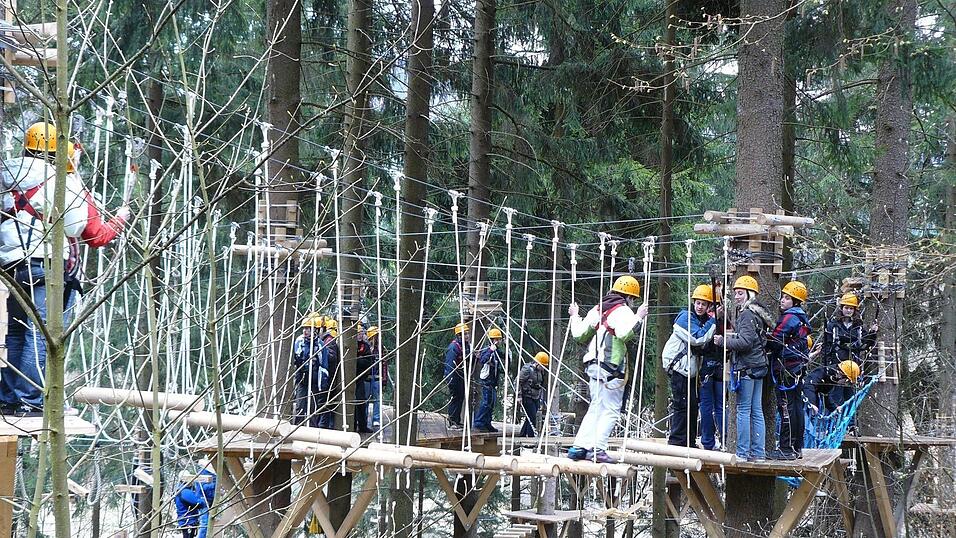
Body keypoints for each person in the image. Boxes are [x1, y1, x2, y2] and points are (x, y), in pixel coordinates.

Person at [0, 122, 130, 416]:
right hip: (48, 266)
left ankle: (10, 397)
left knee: (19, 333)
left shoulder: (8, 176)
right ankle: (29, 400)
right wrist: (120, 219)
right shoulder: (63, 183)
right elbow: (95, 235)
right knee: (41, 335)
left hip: (13, 265)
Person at [567, 275, 649, 463]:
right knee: (611, 409)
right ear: (629, 298)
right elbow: (625, 333)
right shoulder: (623, 311)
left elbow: (578, 334)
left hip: (593, 365)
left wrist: (574, 316)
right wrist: (639, 317)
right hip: (611, 367)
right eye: (633, 300)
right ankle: (598, 448)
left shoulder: (599, 309)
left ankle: (579, 447)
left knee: (596, 406)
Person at [714, 275, 774, 462]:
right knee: (756, 410)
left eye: (740, 293)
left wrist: (724, 341)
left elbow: (746, 342)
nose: (737, 297)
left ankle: (742, 453)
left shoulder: (747, 314)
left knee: (744, 410)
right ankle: (758, 453)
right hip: (758, 366)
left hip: (748, 367)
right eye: (736, 294)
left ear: (749, 294)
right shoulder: (757, 313)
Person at [662, 284, 718, 448]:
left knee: (692, 406)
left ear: (708, 306)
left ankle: (689, 440)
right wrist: (714, 321)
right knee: (682, 405)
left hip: (690, 372)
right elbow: (697, 339)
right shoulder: (684, 318)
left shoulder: (701, 321)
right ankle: (677, 442)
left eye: (703, 304)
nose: (700, 307)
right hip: (680, 369)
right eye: (698, 303)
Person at [766, 281, 812, 460]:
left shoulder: (789, 317)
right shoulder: (801, 318)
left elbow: (775, 340)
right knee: (797, 407)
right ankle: (797, 446)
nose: (782, 301)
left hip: (787, 369)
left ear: (796, 302)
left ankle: (787, 448)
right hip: (797, 368)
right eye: (783, 297)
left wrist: (761, 337)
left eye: (787, 298)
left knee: (786, 407)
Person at [821, 293, 877, 410]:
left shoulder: (858, 327)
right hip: (837, 365)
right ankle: (835, 424)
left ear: (855, 310)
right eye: (846, 308)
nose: (848, 311)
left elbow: (865, 344)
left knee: (850, 398)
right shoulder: (833, 325)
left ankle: (851, 426)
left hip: (853, 366)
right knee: (835, 396)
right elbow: (826, 346)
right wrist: (826, 366)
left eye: (851, 308)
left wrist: (872, 334)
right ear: (841, 308)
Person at [292, 314, 325, 425]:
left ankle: (312, 432)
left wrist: (323, 381)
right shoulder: (299, 342)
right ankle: (297, 430)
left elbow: (323, 364)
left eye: (308, 328)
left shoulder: (320, 344)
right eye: (304, 328)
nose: (305, 331)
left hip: (314, 379)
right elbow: (295, 358)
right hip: (302, 378)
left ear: (314, 330)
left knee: (312, 408)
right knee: (300, 406)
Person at [473, 327, 504, 433]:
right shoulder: (488, 350)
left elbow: (504, 357)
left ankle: (487, 423)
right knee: (486, 402)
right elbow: (482, 359)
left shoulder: (496, 351)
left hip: (492, 381)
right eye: (499, 339)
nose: (500, 341)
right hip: (487, 380)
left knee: (491, 402)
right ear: (494, 340)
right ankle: (478, 423)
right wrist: (491, 350)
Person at [314, 319, 340, 428]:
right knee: (323, 402)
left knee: (324, 402)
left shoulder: (327, 340)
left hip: (327, 376)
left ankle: (322, 426)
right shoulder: (327, 340)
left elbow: (331, 357)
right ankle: (322, 425)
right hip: (326, 376)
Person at [443, 322, 469, 428]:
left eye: (468, 334)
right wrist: (450, 379)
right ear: (459, 335)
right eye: (465, 334)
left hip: (461, 376)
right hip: (454, 376)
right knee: (455, 397)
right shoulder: (454, 347)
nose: (467, 336)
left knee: (460, 397)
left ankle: (457, 420)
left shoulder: (465, 346)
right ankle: (452, 421)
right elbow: (450, 364)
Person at [518, 351, 548, 437]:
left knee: (530, 417)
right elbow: (518, 382)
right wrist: (519, 396)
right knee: (532, 417)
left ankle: (522, 435)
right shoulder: (527, 369)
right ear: (537, 363)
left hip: (536, 397)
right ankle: (530, 437)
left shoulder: (540, 371)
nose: (544, 368)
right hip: (527, 396)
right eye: (543, 366)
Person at [364, 325, 386, 429]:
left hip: (377, 377)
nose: (376, 338)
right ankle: (364, 418)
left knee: (377, 399)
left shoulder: (381, 348)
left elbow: (384, 364)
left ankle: (376, 419)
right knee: (366, 399)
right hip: (367, 377)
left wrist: (384, 379)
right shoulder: (365, 347)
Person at [354, 325, 375, 433]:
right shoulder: (351, 346)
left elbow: (368, 362)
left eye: (362, 333)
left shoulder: (365, 346)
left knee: (361, 402)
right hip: (351, 379)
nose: (361, 335)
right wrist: (358, 360)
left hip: (361, 378)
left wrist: (358, 360)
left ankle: (363, 426)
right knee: (351, 403)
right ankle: (352, 425)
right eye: (359, 333)